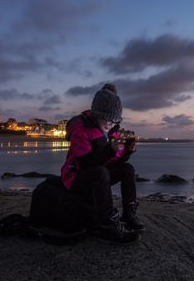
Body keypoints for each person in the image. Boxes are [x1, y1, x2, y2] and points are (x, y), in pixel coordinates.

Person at [60, 83, 143, 244]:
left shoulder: (111, 130)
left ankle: (129, 212)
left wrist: (127, 151)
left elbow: (113, 161)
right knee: (101, 172)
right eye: (107, 118)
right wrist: (110, 151)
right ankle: (108, 225)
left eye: (115, 120)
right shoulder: (81, 130)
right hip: (75, 176)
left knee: (127, 169)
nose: (111, 123)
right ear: (97, 113)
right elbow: (85, 163)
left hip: (98, 172)